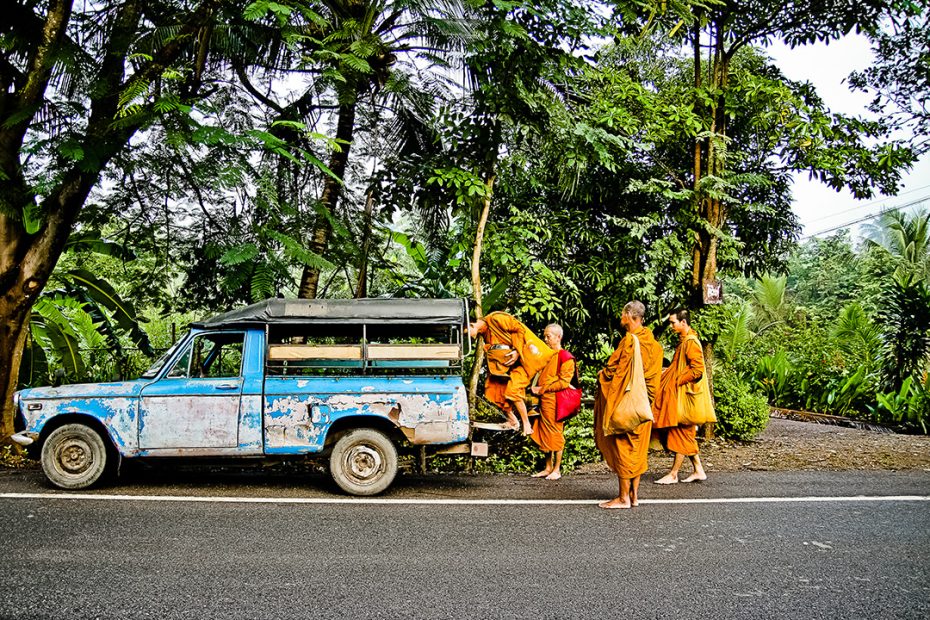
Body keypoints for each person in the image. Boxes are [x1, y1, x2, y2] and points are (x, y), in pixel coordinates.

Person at [593, 301, 663, 509]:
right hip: (644, 405)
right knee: (638, 450)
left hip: (627, 403)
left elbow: (614, 371)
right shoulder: (655, 345)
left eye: (623, 314)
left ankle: (623, 498)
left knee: (624, 446)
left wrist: (601, 376)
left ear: (630, 316)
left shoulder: (629, 342)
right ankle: (634, 497)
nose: (620, 318)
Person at [469, 312, 555, 435]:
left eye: (467, 334)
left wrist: (517, 351)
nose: (471, 338)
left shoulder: (496, 319)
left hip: (526, 358)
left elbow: (519, 328)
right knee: (493, 388)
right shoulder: (485, 331)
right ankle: (512, 420)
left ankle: (526, 424)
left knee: (513, 390)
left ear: (471, 325)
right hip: (510, 367)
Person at [654, 308, 709, 484]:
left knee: (681, 433)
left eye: (673, 322)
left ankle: (673, 473)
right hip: (678, 395)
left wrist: (676, 380)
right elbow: (680, 367)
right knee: (685, 434)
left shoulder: (691, 342)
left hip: (683, 397)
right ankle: (698, 470)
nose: (671, 326)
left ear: (683, 322)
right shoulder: (685, 341)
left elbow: (697, 370)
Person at [528, 323, 575, 480]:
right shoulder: (546, 355)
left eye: (548, 336)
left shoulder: (566, 357)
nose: (545, 339)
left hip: (556, 401)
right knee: (544, 433)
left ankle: (557, 469)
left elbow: (563, 382)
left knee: (555, 433)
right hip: (543, 400)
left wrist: (541, 389)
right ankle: (548, 467)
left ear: (558, 337)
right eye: (545, 336)